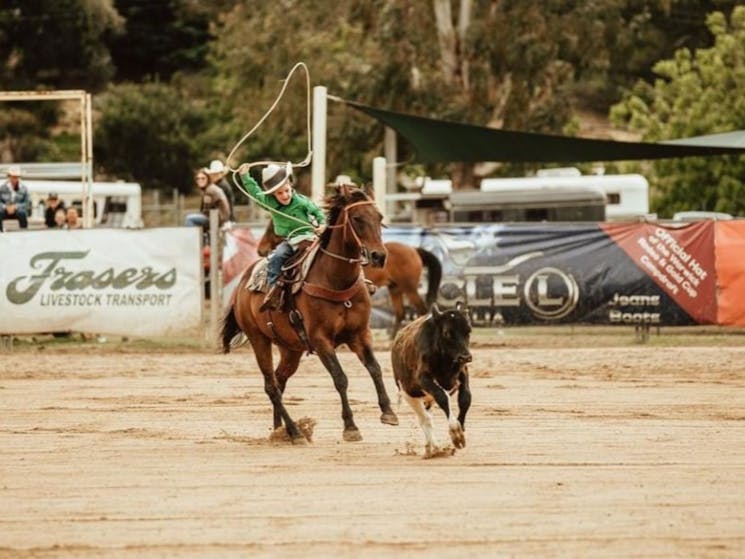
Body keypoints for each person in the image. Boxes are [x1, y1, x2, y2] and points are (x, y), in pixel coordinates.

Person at [239, 162, 326, 311]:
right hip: (289, 241)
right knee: (277, 257)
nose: (285, 195)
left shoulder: (301, 201)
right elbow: (254, 192)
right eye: (279, 193)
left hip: (308, 237)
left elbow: (317, 212)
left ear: (290, 186)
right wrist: (245, 176)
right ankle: (274, 291)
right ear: (273, 195)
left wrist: (322, 224)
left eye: (286, 191)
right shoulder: (269, 203)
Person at [0, 166, 30, 232]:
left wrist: (16, 206)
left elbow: (26, 203)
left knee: (22, 213)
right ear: (9, 177)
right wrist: (5, 207)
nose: (14, 179)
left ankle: (24, 231)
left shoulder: (24, 188)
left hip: (18, 210)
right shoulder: (2, 188)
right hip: (4, 210)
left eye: (16, 177)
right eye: (12, 177)